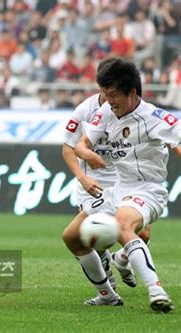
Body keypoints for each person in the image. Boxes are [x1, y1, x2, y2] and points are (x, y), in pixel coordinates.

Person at [66, 58, 179, 313]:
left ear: (132, 92)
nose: (108, 100)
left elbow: (178, 141)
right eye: (105, 94)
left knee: (123, 224)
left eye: (113, 94)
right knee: (72, 237)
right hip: (118, 189)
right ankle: (107, 294)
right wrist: (87, 154)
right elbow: (81, 144)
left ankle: (156, 290)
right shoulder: (106, 111)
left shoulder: (154, 117)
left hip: (148, 189)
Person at [62, 59, 151, 292]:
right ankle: (107, 289)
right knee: (96, 238)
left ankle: (121, 260)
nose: (108, 94)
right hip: (93, 184)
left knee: (143, 233)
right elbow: (67, 149)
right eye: (105, 88)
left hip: (123, 180)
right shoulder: (85, 110)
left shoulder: (132, 107)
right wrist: (83, 177)